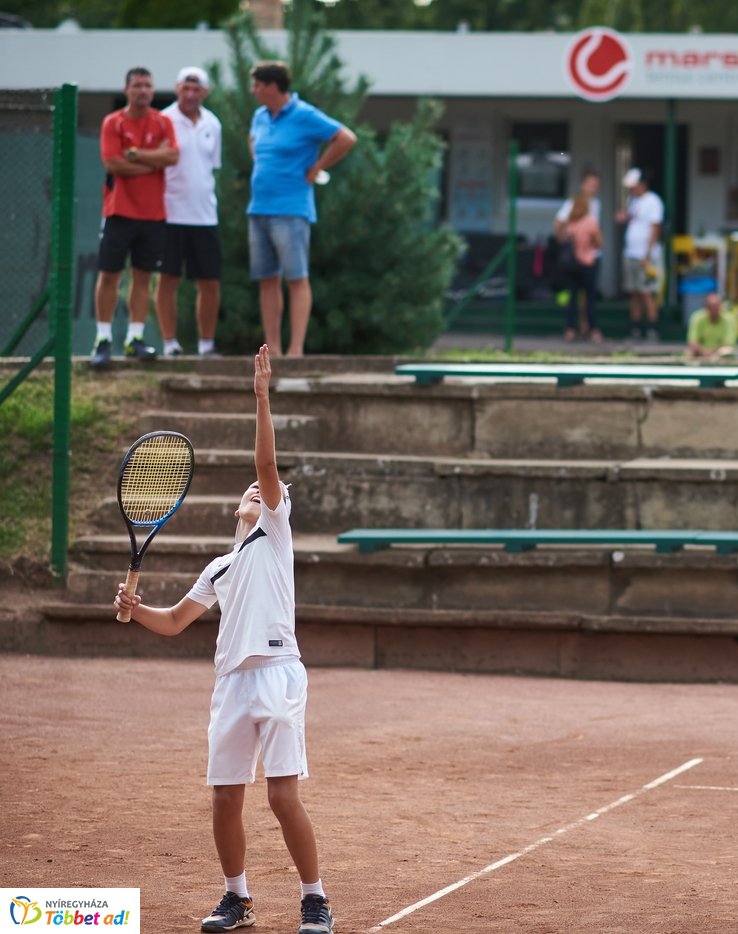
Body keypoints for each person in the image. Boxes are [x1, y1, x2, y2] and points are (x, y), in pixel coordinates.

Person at [113, 347, 335, 934]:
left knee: (282, 798)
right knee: (224, 798)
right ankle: (237, 898)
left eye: (271, 489)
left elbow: (267, 462)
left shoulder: (274, 534)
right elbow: (173, 621)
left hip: (278, 674)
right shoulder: (218, 567)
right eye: (253, 490)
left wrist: (261, 398)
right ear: (237, 507)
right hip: (231, 683)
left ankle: (315, 900)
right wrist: (135, 609)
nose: (263, 489)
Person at [248, 60, 357, 358]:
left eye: (257, 85)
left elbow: (346, 138)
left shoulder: (304, 114)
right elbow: (253, 141)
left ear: (273, 86)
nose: (253, 91)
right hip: (259, 208)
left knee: (296, 278)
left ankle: (295, 349)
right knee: (267, 279)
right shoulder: (259, 116)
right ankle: (272, 349)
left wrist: (317, 167)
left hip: (291, 209)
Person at [92, 66, 179, 367]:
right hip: (118, 212)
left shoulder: (163, 122)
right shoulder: (113, 122)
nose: (143, 91)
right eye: (137, 85)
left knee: (143, 277)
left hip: (153, 215)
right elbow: (113, 164)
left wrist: (135, 154)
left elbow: (173, 156)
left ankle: (135, 338)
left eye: (147, 86)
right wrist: (153, 161)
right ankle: (102, 339)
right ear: (126, 89)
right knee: (109, 275)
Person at [156, 66, 222, 358]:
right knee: (168, 279)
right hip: (170, 213)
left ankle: (207, 346)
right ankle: (170, 344)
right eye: (185, 88)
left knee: (210, 282)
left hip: (205, 216)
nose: (190, 95)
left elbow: (212, 168)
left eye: (196, 89)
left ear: (205, 92)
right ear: (177, 89)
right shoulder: (163, 120)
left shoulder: (213, 123)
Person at [615, 167, 664, 341]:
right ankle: (635, 330)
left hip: (646, 256)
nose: (631, 189)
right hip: (630, 253)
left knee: (647, 293)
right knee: (633, 292)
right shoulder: (632, 201)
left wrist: (647, 254)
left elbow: (655, 228)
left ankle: (652, 330)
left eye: (634, 186)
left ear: (643, 184)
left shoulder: (653, 201)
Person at [559, 183, 603, 343]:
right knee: (589, 298)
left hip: (571, 265)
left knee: (573, 297)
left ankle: (570, 329)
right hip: (588, 264)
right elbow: (599, 243)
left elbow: (562, 238)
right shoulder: (590, 222)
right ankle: (592, 329)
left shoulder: (570, 223)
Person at [686, 292, 738, 359]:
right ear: (706, 307)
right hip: (701, 352)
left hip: (720, 352)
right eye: (711, 307)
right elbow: (693, 341)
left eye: (717, 306)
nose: (714, 309)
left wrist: (710, 351)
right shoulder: (697, 317)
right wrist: (704, 351)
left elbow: (728, 343)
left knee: (726, 350)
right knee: (690, 352)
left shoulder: (729, 319)